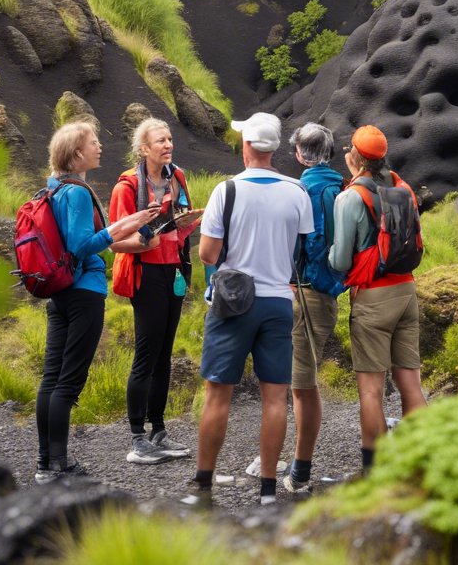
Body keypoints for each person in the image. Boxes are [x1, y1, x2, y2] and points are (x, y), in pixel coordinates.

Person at [190, 112, 312, 506]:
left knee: (217, 395)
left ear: (246, 146)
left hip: (233, 303)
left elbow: (208, 253)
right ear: (274, 148)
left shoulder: (226, 191)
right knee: (275, 397)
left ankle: (204, 484)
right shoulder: (297, 191)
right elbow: (300, 248)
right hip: (278, 300)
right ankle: (267, 490)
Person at [35, 120, 161, 483]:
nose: (99, 147)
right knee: (68, 382)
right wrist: (124, 225)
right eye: (93, 142)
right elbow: (81, 245)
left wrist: (129, 223)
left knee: (51, 378)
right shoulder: (76, 192)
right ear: (77, 153)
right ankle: (59, 465)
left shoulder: (54, 187)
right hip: (83, 291)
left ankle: (46, 463)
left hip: (59, 291)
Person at [329, 125, 426, 475]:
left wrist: (326, 258)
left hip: (373, 297)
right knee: (410, 384)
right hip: (406, 291)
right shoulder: (402, 187)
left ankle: (375, 468)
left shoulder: (350, 197)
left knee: (370, 390)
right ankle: (423, 462)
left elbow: (340, 261)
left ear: (354, 156)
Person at [110, 118, 202, 465]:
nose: (168, 145)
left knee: (164, 354)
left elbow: (180, 226)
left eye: (170, 139)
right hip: (145, 274)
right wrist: (156, 233)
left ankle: (159, 432)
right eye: (160, 141)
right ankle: (137, 439)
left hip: (174, 271)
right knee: (146, 354)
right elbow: (117, 243)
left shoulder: (177, 178)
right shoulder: (127, 187)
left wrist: (188, 221)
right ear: (143, 148)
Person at [284, 122, 346, 495]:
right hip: (330, 292)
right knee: (299, 383)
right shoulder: (344, 188)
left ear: (299, 154)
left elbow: (298, 243)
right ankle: (292, 460)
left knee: (301, 385)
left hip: (303, 291)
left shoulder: (300, 189)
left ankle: (300, 471)